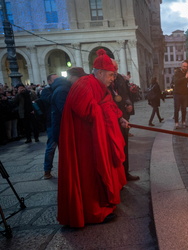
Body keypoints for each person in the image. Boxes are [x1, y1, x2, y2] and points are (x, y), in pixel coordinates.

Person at [57, 49, 127, 227]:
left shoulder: (100, 85)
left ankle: (103, 205)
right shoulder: (84, 84)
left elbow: (108, 105)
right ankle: (92, 212)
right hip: (84, 144)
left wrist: (119, 117)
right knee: (88, 176)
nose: (113, 78)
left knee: (97, 174)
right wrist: (106, 111)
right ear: (100, 72)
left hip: (94, 139)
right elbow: (89, 111)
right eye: (111, 75)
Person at [109, 60, 140, 181]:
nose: (115, 70)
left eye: (116, 68)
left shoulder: (120, 78)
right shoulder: (105, 81)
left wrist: (128, 103)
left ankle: (125, 173)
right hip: (112, 119)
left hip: (123, 117)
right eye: (113, 68)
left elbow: (125, 94)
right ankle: (117, 177)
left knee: (124, 147)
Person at [40, 74, 59, 179]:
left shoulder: (58, 89)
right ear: (49, 81)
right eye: (55, 80)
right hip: (51, 122)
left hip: (59, 121)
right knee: (51, 147)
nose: (58, 81)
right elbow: (49, 100)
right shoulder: (46, 91)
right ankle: (47, 170)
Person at [173, 61, 188, 129]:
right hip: (177, 94)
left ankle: (183, 122)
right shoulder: (177, 73)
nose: (185, 68)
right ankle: (176, 123)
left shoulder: (186, 73)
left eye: (186, 66)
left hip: (184, 93)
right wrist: (185, 77)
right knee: (176, 109)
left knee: (184, 109)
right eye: (184, 66)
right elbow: (176, 82)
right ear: (181, 66)